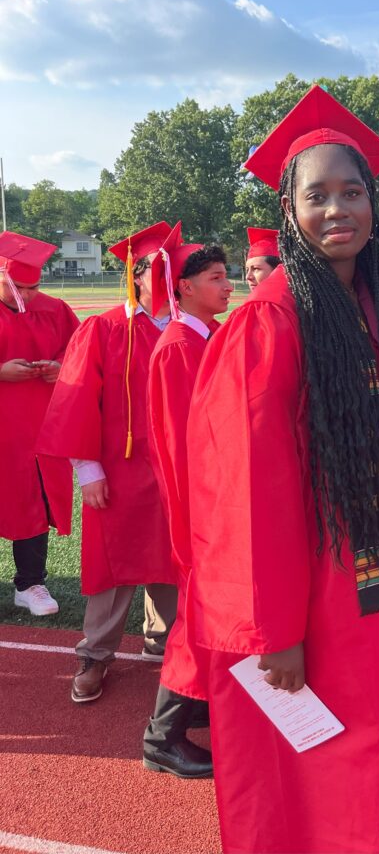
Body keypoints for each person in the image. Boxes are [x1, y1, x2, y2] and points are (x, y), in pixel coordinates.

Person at [186, 85, 379, 853]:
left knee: (376, 768)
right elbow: (246, 494)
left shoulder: (369, 303)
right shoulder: (271, 319)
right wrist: (274, 631)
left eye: (351, 191)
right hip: (312, 607)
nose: (336, 209)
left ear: (373, 202)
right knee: (320, 786)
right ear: (288, 210)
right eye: (315, 195)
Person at [37, 222, 176, 703]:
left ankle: (163, 644)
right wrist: (87, 470)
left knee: (173, 559)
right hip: (117, 469)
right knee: (111, 566)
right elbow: (77, 404)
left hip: (177, 471)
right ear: (134, 275)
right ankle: (95, 654)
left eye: (169, 268)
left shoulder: (194, 327)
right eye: (154, 268)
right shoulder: (104, 329)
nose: (163, 277)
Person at [143, 227, 233, 778]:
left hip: (220, 496)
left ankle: (201, 712)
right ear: (185, 286)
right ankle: (162, 737)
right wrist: (209, 512)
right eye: (217, 278)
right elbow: (182, 445)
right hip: (203, 503)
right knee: (199, 613)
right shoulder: (178, 347)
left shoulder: (207, 335)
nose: (228, 285)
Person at [0, 231, 79, 615]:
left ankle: (30, 584)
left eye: (33, 286)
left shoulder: (55, 309)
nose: (27, 295)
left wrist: (60, 366)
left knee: (32, 500)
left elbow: (79, 350)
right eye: (18, 286)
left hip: (35, 427)